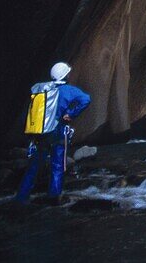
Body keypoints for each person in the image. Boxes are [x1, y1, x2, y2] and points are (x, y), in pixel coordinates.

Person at [15, 62, 90, 203]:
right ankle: (54, 197)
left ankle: (21, 197)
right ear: (65, 75)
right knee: (57, 165)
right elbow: (86, 99)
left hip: (40, 132)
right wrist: (71, 114)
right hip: (57, 131)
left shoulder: (43, 88)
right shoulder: (68, 90)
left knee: (34, 166)